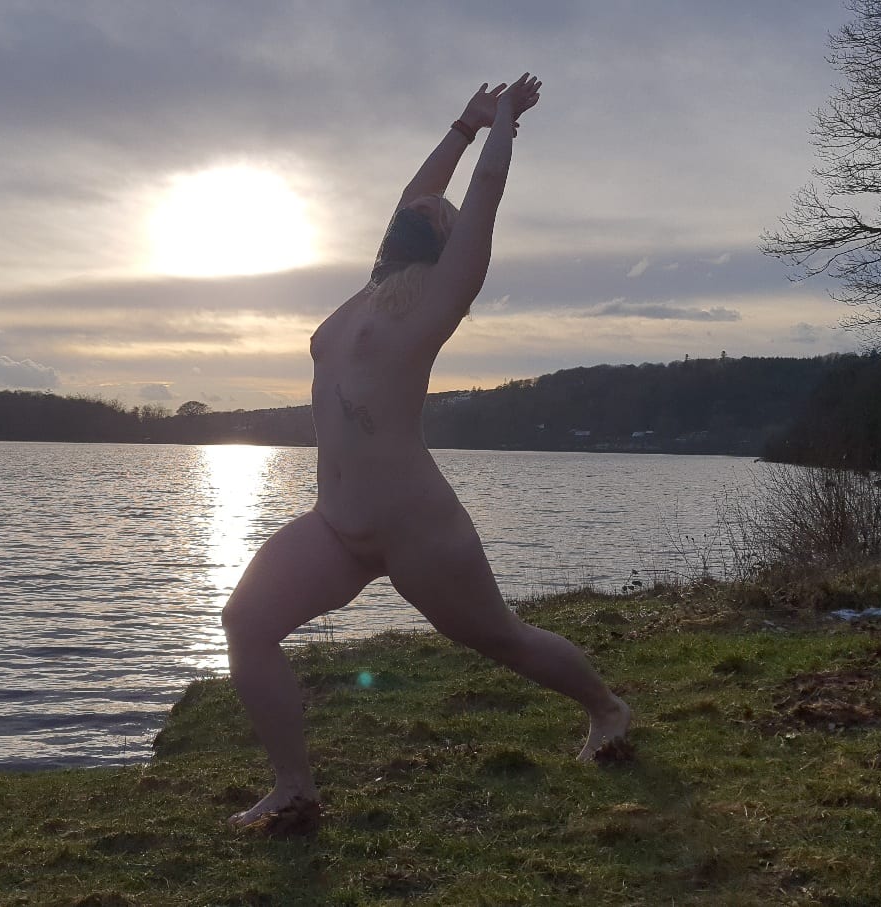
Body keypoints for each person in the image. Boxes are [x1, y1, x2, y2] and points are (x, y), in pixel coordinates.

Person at [221, 74, 632, 832]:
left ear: (447, 241)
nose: (423, 206)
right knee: (245, 622)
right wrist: (461, 126)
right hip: (336, 524)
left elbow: (486, 191)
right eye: (417, 208)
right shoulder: (365, 296)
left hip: (417, 526)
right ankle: (295, 788)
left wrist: (502, 124)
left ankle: (607, 709)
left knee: (502, 639)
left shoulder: (442, 297)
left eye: (437, 212)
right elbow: (415, 195)